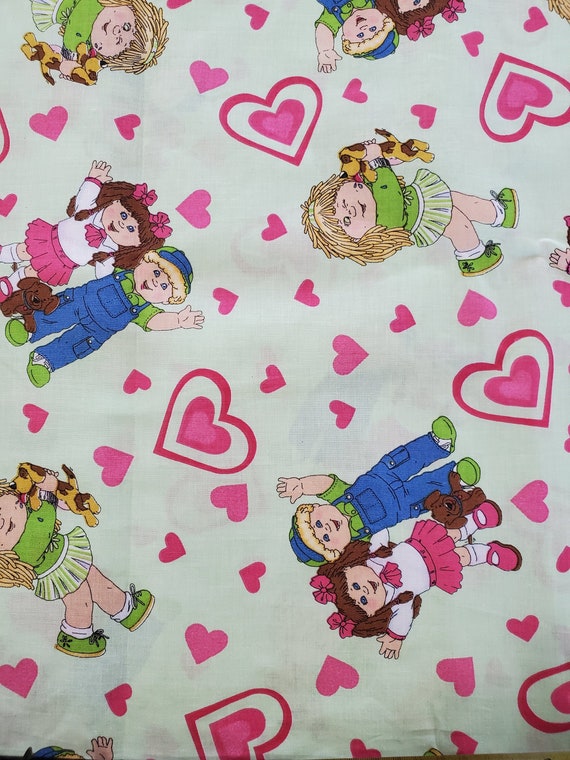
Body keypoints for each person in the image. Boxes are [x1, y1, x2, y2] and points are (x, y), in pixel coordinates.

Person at [278, 416, 483, 566]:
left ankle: (437, 443)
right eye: (325, 539)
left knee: (408, 456)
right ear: (340, 550)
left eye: (317, 523)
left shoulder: (338, 497)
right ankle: (456, 478)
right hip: (403, 504)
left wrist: (302, 485)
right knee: (427, 491)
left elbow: (325, 484)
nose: (327, 528)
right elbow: (377, 546)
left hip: (384, 473)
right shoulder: (361, 539)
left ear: (316, 507)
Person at [301, 136, 519, 276]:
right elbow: (390, 191)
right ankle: (473, 257)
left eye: (343, 202)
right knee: (457, 222)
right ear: (350, 241)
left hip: (424, 199)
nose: (349, 210)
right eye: (346, 221)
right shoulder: (383, 222)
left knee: (457, 200)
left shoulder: (367, 185)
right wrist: (378, 160)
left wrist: (386, 157)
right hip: (424, 216)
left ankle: (499, 213)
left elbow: (381, 179)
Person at [312, 516, 522, 658]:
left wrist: (376, 521)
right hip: (437, 570)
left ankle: (476, 520)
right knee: (460, 557)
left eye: (355, 585)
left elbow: (380, 532)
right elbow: (401, 621)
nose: (364, 591)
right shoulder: (398, 601)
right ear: (374, 614)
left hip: (424, 543)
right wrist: (396, 638)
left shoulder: (375, 557)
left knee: (452, 534)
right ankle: (487, 553)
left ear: (350, 567)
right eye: (364, 601)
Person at [5, 246, 204, 387]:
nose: (154, 281)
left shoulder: (143, 309)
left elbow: (154, 321)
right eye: (157, 272)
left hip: (96, 332)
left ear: (167, 300)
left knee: (72, 346)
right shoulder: (123, 269)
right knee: (57, 311)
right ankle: (28, 328)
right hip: (80, 301)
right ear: (144, 261)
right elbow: (105, 262)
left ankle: (44, 361)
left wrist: (178, 320)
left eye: (164, 286)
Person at [0, 477, 153, 658]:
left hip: (67, 556)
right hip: (58, 572)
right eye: (6, 528)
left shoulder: (28, 508)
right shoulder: (23, 548)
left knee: (97, 581)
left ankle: (125, 608)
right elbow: (44, 519)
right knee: (80, 600)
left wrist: (54, 492)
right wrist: (48, 491)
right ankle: (77, 636)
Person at [0, 161, 171, 296]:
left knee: (32, 272)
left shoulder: (109, 250)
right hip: (48, 239)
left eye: (131, 229)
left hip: (61, 263)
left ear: (135, 245)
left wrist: (107, 284)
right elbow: (85, 195)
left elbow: (103, 273)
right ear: (114, 202)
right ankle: (4, 253)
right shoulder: (90, 212)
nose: (121, 223)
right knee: (23, 250)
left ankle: (9, 285)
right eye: (123, 215)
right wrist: (94, 180)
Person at [22, 0, 168, 86]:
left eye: (119, 42)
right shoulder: (96, 5)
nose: (117, 32)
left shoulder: (84, 47)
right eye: (126, 26)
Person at [314, 2, 398, 73]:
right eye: (373, 29)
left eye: (360, 35)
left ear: (345, 38)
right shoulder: (369, 2)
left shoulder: (335, 17)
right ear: (384, 16)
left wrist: (325, 50)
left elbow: (325, 29)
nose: (364, 28)